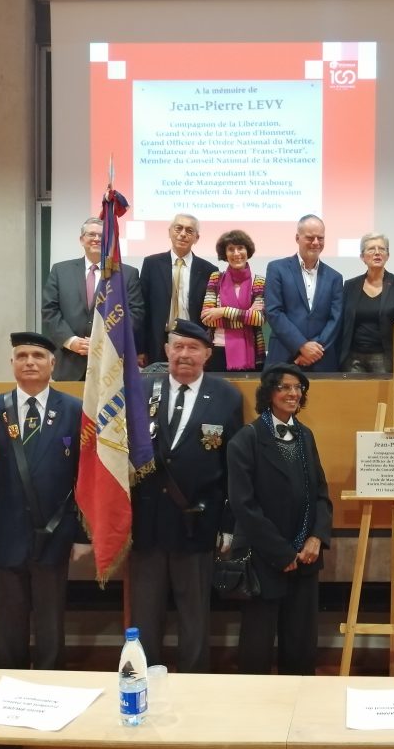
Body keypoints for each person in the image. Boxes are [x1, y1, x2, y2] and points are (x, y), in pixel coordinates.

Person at [130, 319, 243, 672]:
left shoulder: (227, 396)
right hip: (146, 522)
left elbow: (233, 467)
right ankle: (144, 679)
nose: (184, 354)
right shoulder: (142, 388)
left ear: (208, 354)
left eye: (193, 348)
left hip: (197, 520)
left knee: (194, 612)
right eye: (177, 347)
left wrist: (228, 524)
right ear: (166, 351)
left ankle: (194, 682)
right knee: (145, 612)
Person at [0, 332, 89, 670]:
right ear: (11, 363)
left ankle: (51, 686)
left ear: (53, 364)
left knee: (51, 622)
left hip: (54, 532)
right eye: (22, 356)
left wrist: (83, 533)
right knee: (7, 625)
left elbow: (85, 474)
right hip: (4, 530)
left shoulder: (73, 409)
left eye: (38, 356)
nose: (30, 362)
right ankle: (6, 689)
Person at [227, 364, 333, 674]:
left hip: (306, 557)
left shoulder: (305, 435)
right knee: (257, 645)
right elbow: (243, 506)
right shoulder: (246, 439)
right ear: (269, 393)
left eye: (298, 388)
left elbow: (321, 493)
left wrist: (317, 537)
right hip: (263, 558)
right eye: (285, 387)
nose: (293, 393)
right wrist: (281, 553)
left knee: (300, 643)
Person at [41, 216, 145, 381]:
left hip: (111, 366)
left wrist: (106, 341)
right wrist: (71, 340)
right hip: (69, 364)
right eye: (91, 235)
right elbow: (49, 310)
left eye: (101, 236)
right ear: (82, 240)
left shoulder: (127, 274)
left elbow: (135, 314)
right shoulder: (60, 271)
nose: (97, 239)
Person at [263, 214, 343, 372]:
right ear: (297, 238)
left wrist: (315, 350)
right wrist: (301, 345)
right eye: (310, 238)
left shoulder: (335, 277)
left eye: (320, 238)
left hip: (322, 359)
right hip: (284, 356)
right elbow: (273, 312)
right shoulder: (277, 269)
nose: (315, 243)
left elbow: (335, 319)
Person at [140, 213, 218, 367]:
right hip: (158, 340)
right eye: (178, 228)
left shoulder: (209, 270)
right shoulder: (151, 264)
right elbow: (143, 309)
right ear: (169, 232)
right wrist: (140, 348)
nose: (183, 234)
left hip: (193, 340)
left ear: (197, 238)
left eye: (189, 230)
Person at [199, 229, 266, 372]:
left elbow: (259, 319)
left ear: (248, 251)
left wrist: (223, 311)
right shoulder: (215, 278)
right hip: (217, 350)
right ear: (225, 254)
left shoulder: (259, 281)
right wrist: (246, 315)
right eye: (231, 249)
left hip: (251, 352)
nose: (236, 253)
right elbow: (207, 318)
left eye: (240, 248)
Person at [338, 233, 394, 373]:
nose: (377, 253)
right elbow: (343, 323)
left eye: (381, 249)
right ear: (362, 257)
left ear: (387, 255)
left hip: (384, 358)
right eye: (371, 249)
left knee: (382, 396)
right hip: (353, 358)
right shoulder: (350, 285)